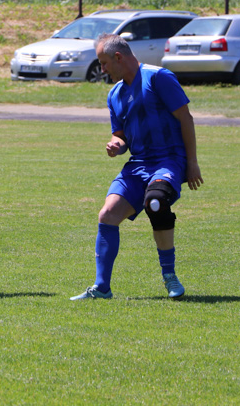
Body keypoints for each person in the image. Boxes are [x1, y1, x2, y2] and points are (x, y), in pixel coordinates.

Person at [71, 33, 203, 301]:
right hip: (137, 165)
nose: (102, 69)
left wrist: (192, 163)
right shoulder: (115, 94)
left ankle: (169, 276)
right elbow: (120, 135)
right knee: (107, 214)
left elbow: (185, 118)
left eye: (104, 63)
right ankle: (102, 288)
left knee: (155, 202)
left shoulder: (158, 78)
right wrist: (116, 145)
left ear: (118, 57)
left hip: (168, 160)